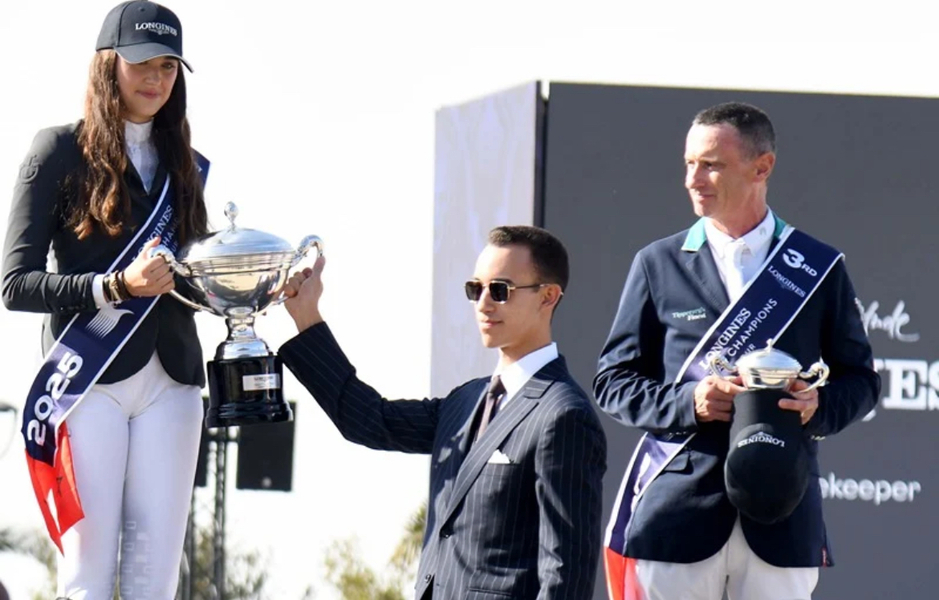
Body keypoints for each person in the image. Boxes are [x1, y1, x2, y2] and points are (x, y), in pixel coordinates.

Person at [594, 102, 880, 600]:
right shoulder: (657, 263)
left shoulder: (817, 267)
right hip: (676, 515)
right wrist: (689, 402)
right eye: (688, 163)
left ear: (761, 167)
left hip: (783, 512)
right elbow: (613, 381)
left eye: (711, 164)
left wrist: (817, 407)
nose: (692, 178)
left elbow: (862, 381)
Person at [1, 2, 207, 598]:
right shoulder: (57, 150)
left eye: (170, 66)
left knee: (154, 584)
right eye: (142, 62)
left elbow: (187, 278)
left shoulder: (185, 166)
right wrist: (113, 287)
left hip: (172, 382)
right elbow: (15, 285)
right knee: (88, 581)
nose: (156, 78)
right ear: (107, 64)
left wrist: (253, 282)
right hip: (88, 382)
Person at [280, 225, 607, 599]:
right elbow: (369, 420)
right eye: (475, 289)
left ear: (548, 296)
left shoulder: (563, 415)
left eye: (500, 290)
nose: (483, 304)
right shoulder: (466, 400)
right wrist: (306, 316)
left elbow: (566, 574)